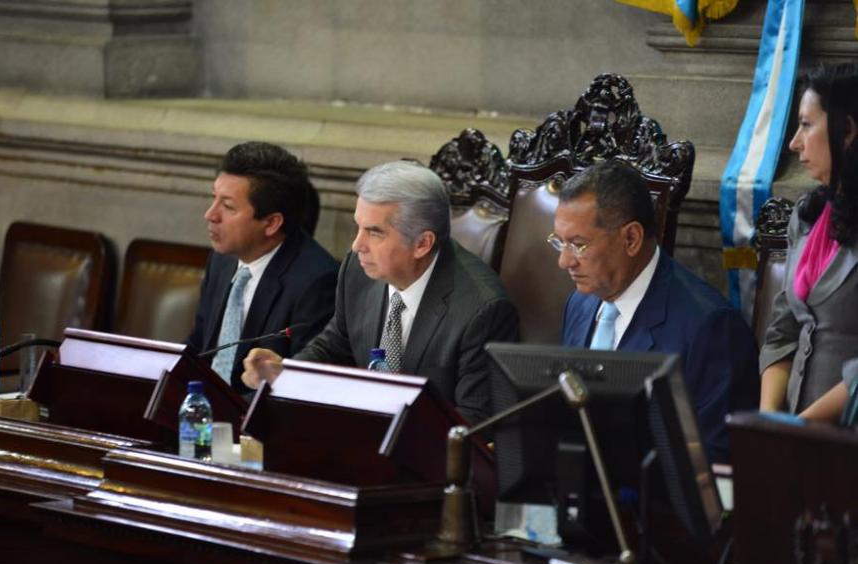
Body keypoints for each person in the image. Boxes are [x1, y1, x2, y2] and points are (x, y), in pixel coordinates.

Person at [242, 160, 519, 424]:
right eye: (358, 227)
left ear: (422, 243)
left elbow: (473, 419)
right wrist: (285, 375)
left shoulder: (482, 310)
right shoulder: (358, 270)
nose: (356, 246)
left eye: (374, 233)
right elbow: (336, 344)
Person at [556, 159, 759, 463]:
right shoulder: (580, 304)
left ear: (631, 238)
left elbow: (716, 465)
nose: (565, 261)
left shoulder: (711, 329)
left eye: (578, 244)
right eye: (559, 243)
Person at [187, 141, 339, 395]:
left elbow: (302, 390)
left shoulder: (317, 282)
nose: (210, 215)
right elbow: (199, 346)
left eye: (228, 206)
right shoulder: (222, 260)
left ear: (271, 223)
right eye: (214, 199)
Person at [760, 63, 858, 422]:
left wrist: (801, 428)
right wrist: (770, 420)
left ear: (846, 129)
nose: (793, 143)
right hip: (798, 438)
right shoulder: (807, 215)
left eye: (805, 125)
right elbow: (782, 331)